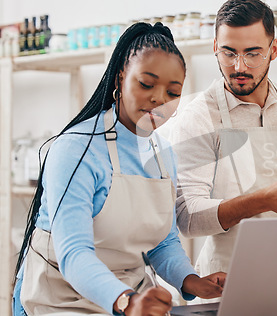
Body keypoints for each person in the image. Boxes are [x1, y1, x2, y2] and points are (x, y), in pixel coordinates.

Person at [12, 22, 225, 316]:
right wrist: (126, 301)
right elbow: (73, 254)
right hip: (58, 295)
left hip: (130, 294)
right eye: (146, 84)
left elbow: (163, 242)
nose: (159, 100)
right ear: (120, 78)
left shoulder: (163, 155)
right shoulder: (76, 149)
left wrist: (192, 282)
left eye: (173, 92)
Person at [161, 0, 277, 279]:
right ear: (214, 48)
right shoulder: (197, 116)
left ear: (274, 50)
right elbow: (188, 217)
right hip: (228, 279)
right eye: (228, 53)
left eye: (253, 53)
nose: (239, 67)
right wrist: (263, 200)